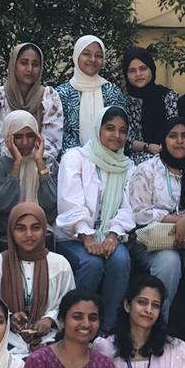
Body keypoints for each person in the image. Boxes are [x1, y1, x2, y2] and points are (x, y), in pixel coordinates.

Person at [125, 116, 185, 327]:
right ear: (163, 140)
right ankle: (156, 328)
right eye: (173, 136)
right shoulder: (147, 170)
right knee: (168, 262)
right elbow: (139, 212)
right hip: (153, 241)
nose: (179, 141)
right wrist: (180, 221)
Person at [55, 106, 136, 334]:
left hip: (110, 236)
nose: (116, 135)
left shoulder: (128, 166)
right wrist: (87, 235)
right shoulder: (75, 157)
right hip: (72, 235)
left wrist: (113, 234)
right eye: (110, 128)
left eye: (123, 131)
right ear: (98, 129)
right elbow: (69, 201)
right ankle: (70, 327)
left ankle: (105, 332)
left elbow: (129, 207)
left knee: (120, 260)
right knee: (91, 263)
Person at [0, 202, 74, 356]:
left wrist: (50, 319)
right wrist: (9, 317)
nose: (29, 234)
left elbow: (70, 306)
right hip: (7, 339)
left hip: (49, 338)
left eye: (35, 228)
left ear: (44, 230)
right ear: (11, 231)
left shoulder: (60, 264)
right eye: (21, 228)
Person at [0, 109, 57, 241]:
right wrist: (17, 164)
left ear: (37, 137)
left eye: (30, 136)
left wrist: (40, 163)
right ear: (8, 137)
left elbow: (50, 203)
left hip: (43, 234)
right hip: (5, 234)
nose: (25, 142)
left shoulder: (48, 163)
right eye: (18, 137)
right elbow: (0, 204)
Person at [55, 35, 132, 154]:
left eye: (98, 55)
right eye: (86, 54)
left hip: (109, 159)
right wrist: (83, 159)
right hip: (72, 160)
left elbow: (122, 130)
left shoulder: (111, 91)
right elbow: (60, 134)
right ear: (76, 56)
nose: (93, 59)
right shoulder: (62, 93)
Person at [0, 42, 64, 156]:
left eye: (35, 64)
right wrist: (16, 158)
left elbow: (52, 141)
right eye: (24, 63)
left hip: (40, 160)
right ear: (14, 65)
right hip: (5, 161)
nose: (30, 69)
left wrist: (32, 160)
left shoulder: (49, 96)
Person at [122, 46, 180, 164]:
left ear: (152, 69)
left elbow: (176, 130)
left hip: (169, 153)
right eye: (132, 71)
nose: (138, 74)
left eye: (143, 69)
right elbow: (123, 140)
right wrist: (147, 147)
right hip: (132, 160)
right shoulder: (123, 102)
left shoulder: (168, 96)